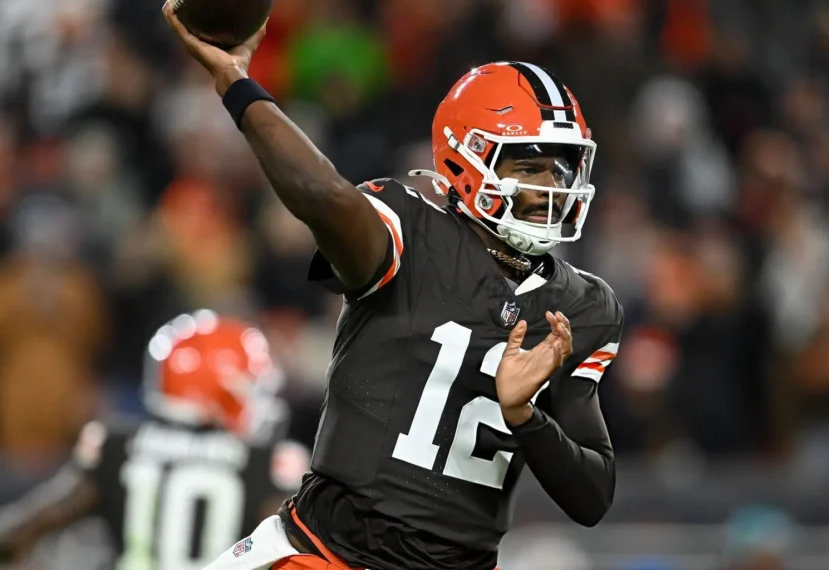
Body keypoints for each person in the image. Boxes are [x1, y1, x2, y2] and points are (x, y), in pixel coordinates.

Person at [162, 10, 625, 570]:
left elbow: (592, 495)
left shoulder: (584, 306)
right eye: (532, 164)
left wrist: (526, 416)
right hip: (329, 554)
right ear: (466, 156)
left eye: (563, 168)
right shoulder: (410, 224)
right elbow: (322, 196)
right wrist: (236, 82)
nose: (552, 186)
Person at [0, 310, 308, 570]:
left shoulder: (115, 445)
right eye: (250, 388)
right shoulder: (271, 461)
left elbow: (15, 533)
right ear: (217, 387)